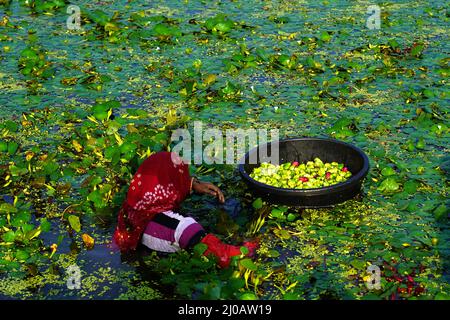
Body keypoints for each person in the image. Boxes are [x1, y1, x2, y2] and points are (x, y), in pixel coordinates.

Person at [113, 151, 257, 268]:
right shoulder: (183, 227)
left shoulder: (130, 210)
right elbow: (224, 257)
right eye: (182, 176)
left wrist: (192, 184)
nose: (186, 178)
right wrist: (253, 244)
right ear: (172, 186)